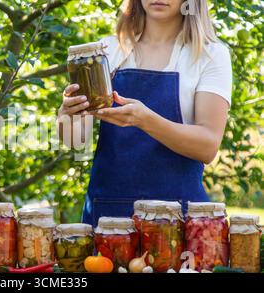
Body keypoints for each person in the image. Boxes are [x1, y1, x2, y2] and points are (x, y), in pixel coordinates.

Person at [58, 0, 232, 226]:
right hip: (109, 219)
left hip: (178, 220)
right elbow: (76, 141)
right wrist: (67, 115)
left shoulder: (208, 55)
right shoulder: (106, 52)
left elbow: (207, 146)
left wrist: (145, 120)